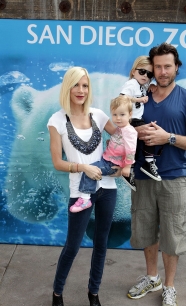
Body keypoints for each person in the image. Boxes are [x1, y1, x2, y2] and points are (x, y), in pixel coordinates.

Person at [127, 43, 186, 306]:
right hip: (142, 174)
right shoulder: (141, 97)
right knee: (146, 230)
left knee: (173, 235)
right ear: (151, 69)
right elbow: (119, 126)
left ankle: (170, 286)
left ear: (176, 67)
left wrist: (168, 137)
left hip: (174, 177)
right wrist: (133, 131)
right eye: (158, 67)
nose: (162, 71)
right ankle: (152, 278)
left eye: (167, 66)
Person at [47, 66, 120, 306]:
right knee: (72, 246)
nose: (81, 90)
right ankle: (57, 294)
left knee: (101, 244)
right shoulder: (56, 120)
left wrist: (123, 164)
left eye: (85, 85)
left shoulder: (99, 115)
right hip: (80, 193)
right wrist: (83, 168)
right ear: (67, 88)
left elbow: (122, 137)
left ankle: (94, 293)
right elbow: (58, 162)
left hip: (107, 188)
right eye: (76, 85)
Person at [69, 95, 138, 213]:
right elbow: (120, 143)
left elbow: (131, 150)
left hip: (111, 163)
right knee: (91, 169)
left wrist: (127, 166)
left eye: (122, 115)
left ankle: (85, 199)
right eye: (115, 115)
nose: (118, 118)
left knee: (90, 170)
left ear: (130, 114)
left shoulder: (129, 131)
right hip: (109, 159)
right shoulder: (121, 128)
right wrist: (111, 142)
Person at [120, 56, 162, 192]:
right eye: (142, 72)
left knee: (135, 147)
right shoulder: (131, 84)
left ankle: (129, 171)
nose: (145, 76)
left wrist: (152, 85)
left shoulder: (141, 85)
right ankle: (148, 162)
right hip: (131, 119)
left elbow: (146, 85)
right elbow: (122, 98)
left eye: (149, 74)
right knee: (150, 133)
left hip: (133, 118)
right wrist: (138, 99)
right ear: (133, 71)